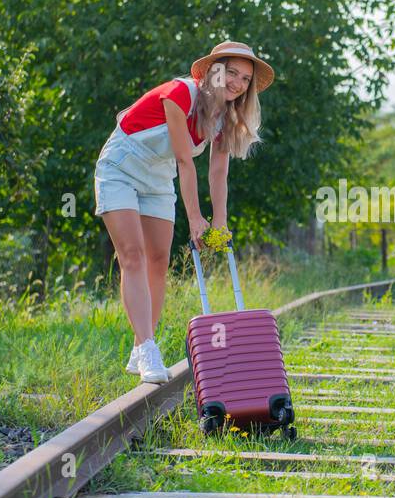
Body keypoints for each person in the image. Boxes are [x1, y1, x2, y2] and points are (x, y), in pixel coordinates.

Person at [93, 41, 273, 382]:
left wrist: (218, 222)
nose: (237, 82)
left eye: (246, 79)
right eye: (231, 72)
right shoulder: (180, 94)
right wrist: (194, 217)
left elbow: (218, 172)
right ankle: (148, 347)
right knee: (133, 255)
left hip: (158, 177)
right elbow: (184, 161)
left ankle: (139, 346)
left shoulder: (227, 118)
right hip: (121, 166)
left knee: (159, 260)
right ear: (212, 70)